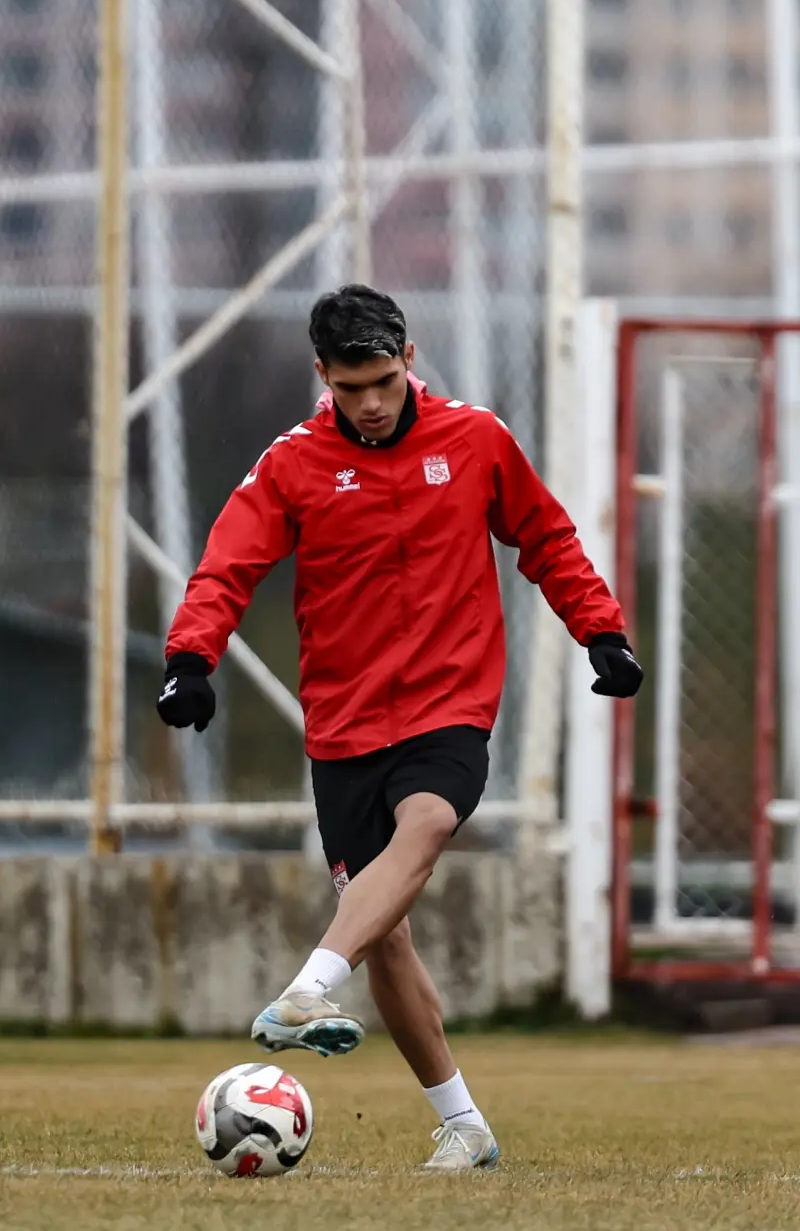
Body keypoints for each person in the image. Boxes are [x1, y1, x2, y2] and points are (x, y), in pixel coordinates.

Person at [156, 283, 642, 1171]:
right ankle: (465, 1124)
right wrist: (191, 660)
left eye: (383, 381)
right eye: (352, 389)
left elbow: (546, 538)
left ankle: (308, 988)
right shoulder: (292, 465)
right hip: (343, 726)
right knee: (383, 933)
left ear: (409, 359)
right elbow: (227, 565)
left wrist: (600, 631)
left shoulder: (475, 439)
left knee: (426, 824)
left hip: (449, 706)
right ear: (323, 376)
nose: (372, 403)